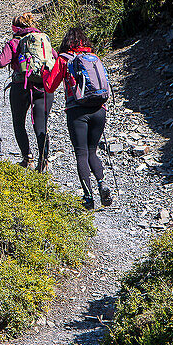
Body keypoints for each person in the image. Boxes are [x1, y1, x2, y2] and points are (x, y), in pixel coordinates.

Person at [43, 27, 113, 209]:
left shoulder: (64, 59)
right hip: (99, 109)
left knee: (81, 153)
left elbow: (50, 86)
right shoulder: (94, 57)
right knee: (92, 151)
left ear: (67, 42)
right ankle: (102, 183)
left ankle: (88, 198)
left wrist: (44, 73)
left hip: (77, 110)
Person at [0, 13, 56, 172]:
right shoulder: (43, 41)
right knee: (41, 125)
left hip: (21, 86)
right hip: (43, 87)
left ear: (15, 28)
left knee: (19, 123)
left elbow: (1, 62)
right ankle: (44, 161)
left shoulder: (14, 42)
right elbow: (55, 59)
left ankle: (28, 159)